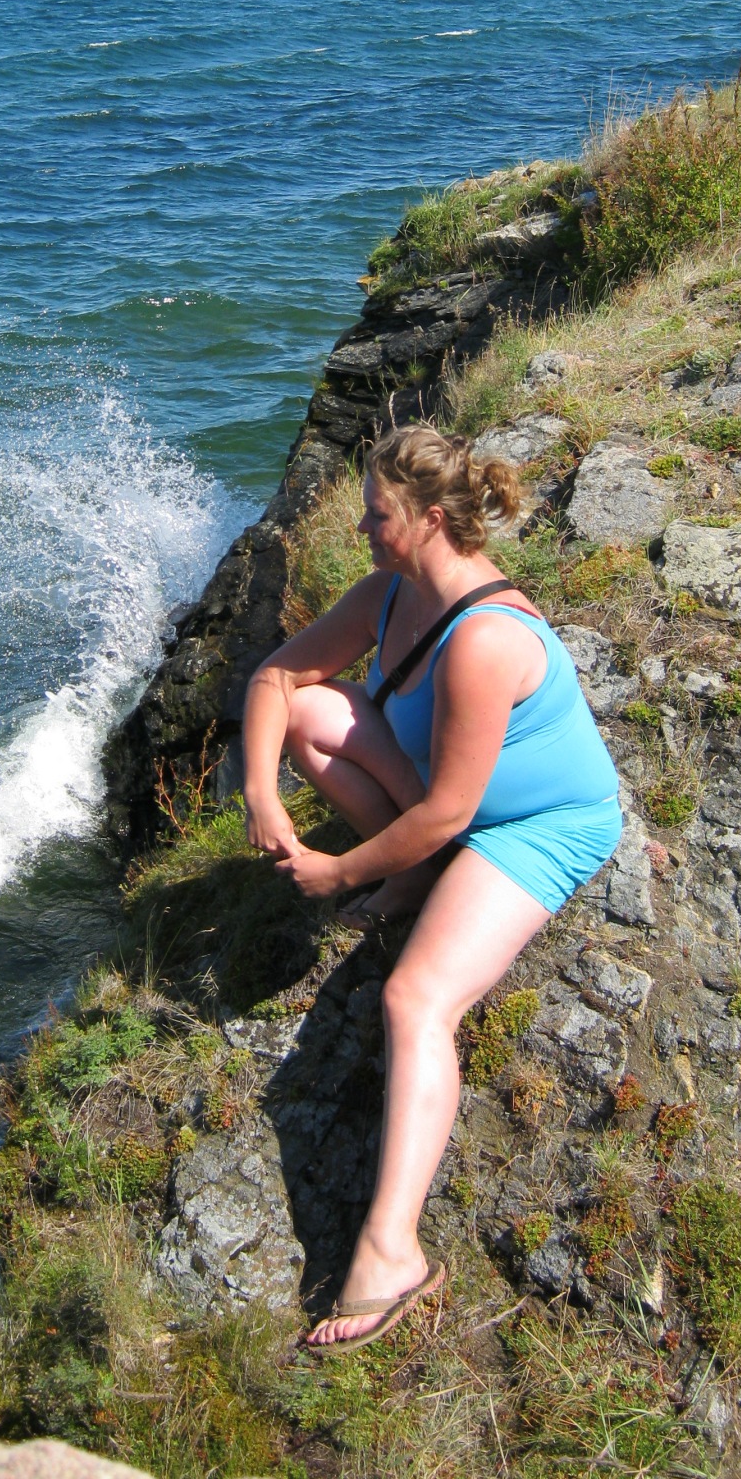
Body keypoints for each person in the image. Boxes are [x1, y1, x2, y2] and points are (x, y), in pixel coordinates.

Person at [241, 424, 622, 1353]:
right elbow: (279, 675)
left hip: (534, 827)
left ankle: (391, 1253)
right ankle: (412, 876)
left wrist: (338, 870)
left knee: (415, 999)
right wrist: (260, 795)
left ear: (432, 520)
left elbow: (450, 811)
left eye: (378, 516)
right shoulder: (388, 594)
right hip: (447, 804)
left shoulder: (486, 640)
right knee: (311, 711)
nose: (363, 530)